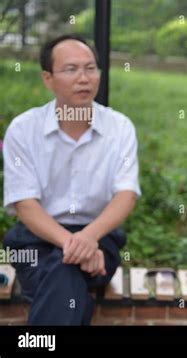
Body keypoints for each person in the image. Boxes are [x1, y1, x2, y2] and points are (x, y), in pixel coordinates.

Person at [2, 34, 141, 325]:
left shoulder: (119, 127)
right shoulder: (24, 129)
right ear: (47, 78)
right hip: (35, 239)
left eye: (91, 68)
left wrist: (88, 237)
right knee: (67, 274)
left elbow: (126, 194)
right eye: (71, 69)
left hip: (99, 236)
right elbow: (24, 203)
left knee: (59, 272)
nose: (84, 78)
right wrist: (75, 245)